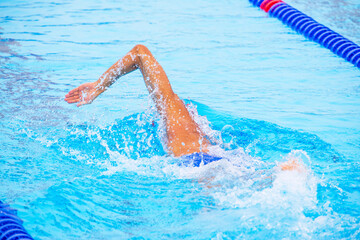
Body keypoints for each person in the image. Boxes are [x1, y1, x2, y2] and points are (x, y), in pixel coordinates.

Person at [65, 45, 302, 170]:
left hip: (195, 163)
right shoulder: (200, 130)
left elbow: (140, 52)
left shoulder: (173, 115)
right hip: (229, 159)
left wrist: (99, 86)